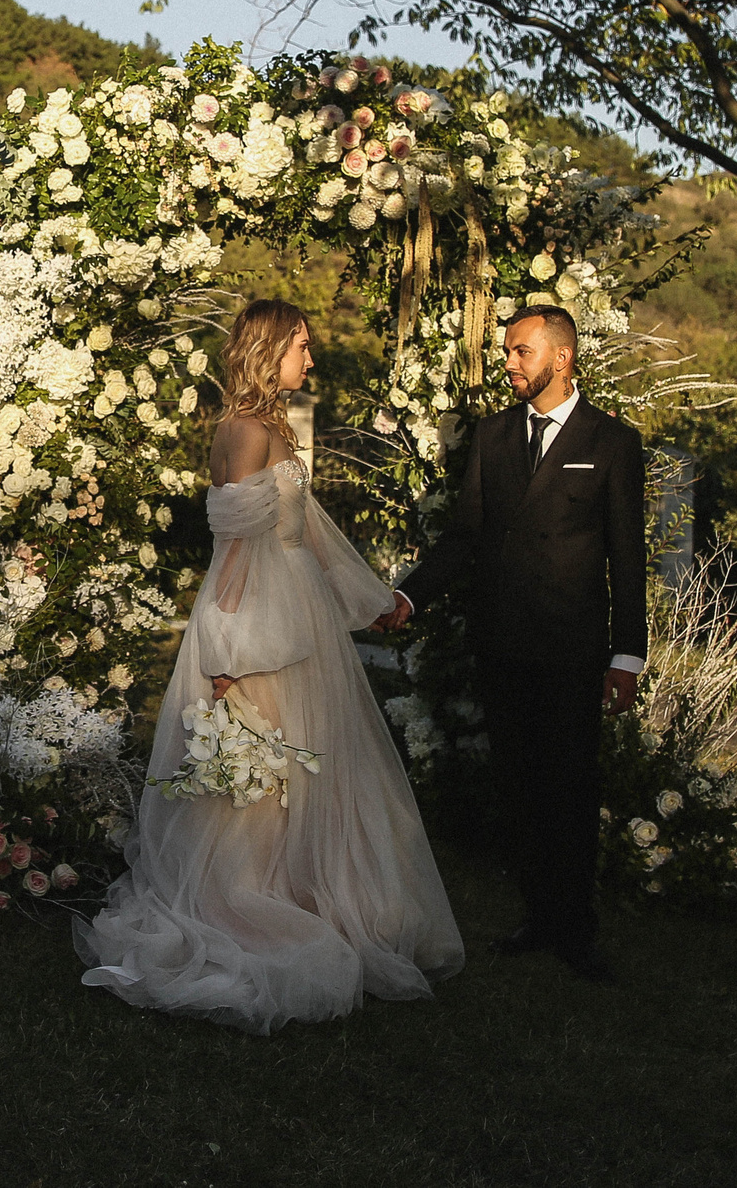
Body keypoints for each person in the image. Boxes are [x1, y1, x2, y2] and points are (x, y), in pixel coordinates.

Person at [76, 299, 465, 1033]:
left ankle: (308, 887)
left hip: (300, 610)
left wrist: (373, 596)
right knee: (264, 783)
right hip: (262, 622)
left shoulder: (268, 425)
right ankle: (259, 901)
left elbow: (307, 531)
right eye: (302, 347)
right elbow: (238, 554)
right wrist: (227, 657)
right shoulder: (247, 430)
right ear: (268, 349)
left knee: (305, 772)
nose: (310, 359)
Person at [395, 305, 645, 982]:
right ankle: (538, 914)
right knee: (520, 786)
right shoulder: (495, 436)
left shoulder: (612, 441)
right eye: (508, 351)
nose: (509, 363)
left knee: (570, 785)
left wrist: (628, 654)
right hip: (505, 643)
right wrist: (409, 595)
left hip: (572, 646)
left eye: (522, 352)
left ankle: (576, 928)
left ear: (561, 358)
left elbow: (628, 556)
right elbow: (467, 536)